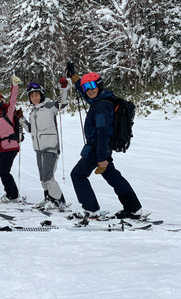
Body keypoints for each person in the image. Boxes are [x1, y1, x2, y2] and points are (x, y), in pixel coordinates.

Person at [66, 63, 142, 219]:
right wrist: (75, 79)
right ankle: (133, 208)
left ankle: (91, 210)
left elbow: (103, 132)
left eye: (93, 85)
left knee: (78, 175)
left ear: (99, 85)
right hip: (101, 148)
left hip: (97, 149)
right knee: (113, 176)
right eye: (86, 87)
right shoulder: (102, 99)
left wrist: (102, 157)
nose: (89, 89)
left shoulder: (101, 107)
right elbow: (86, 93)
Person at [20, 79, 69, 209]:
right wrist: (21, 119)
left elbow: (63, 103)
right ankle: (49, 199)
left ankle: (59, 201)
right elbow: (30, 129)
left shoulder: (49, 106)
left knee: (48, 177)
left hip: (50, 147)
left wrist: (63, 88)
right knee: (43, 178)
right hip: (38, 149)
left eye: (36, 95)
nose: (34, 98)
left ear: (41, 94)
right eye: (31, 96)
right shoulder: (33, 112)